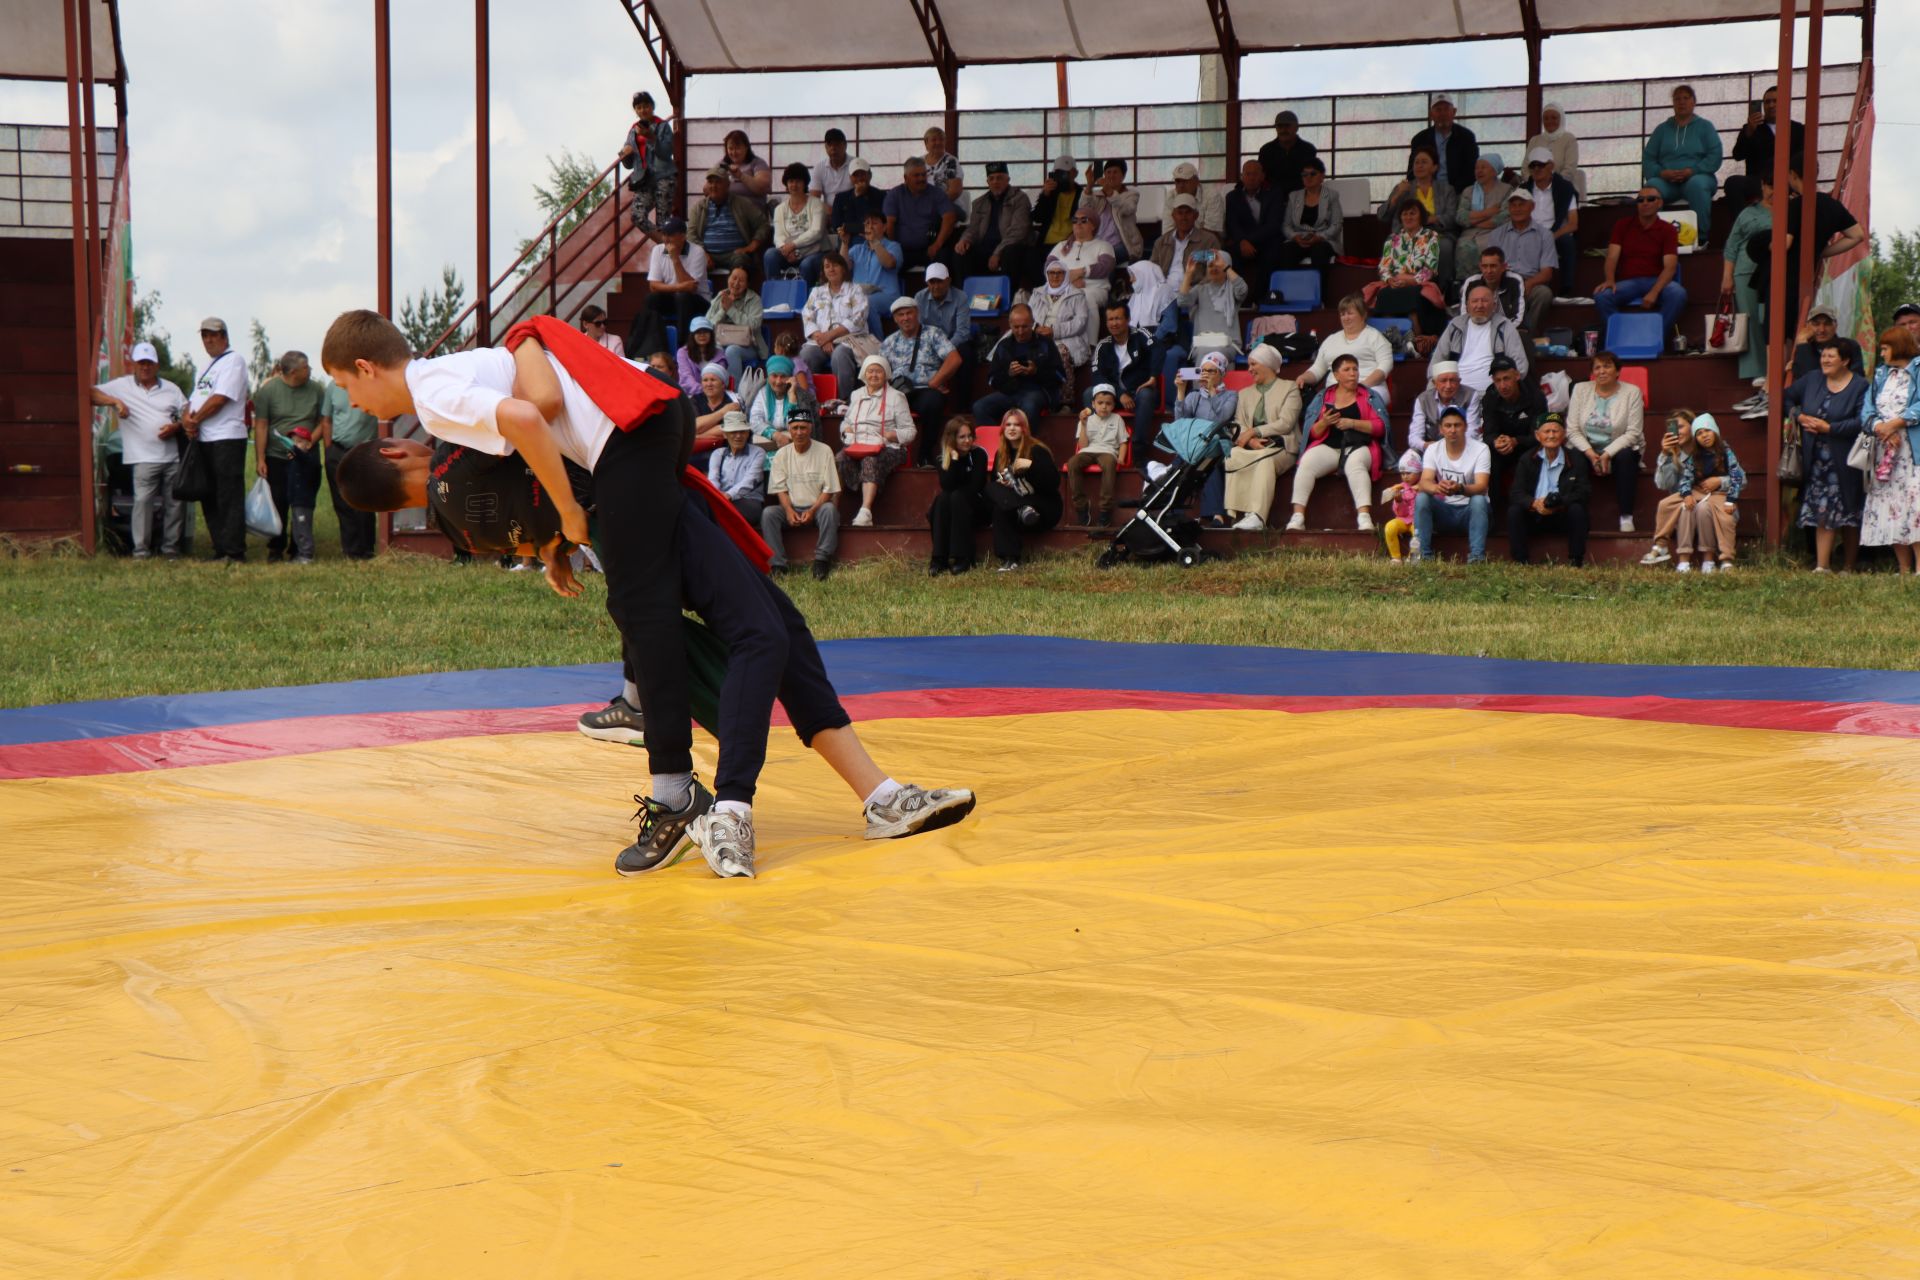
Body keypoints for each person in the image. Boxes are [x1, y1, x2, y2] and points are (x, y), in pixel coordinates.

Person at [333, 322, 976, 874]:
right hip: (643, 439)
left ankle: (678, 761)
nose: (354, 400)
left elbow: (533, 442)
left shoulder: (440, 429)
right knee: (764, 629)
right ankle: (798, 795)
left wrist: (561, 528)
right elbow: (535, 438)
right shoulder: (451, 423)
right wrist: (530, 339)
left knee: (732, 628)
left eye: (346, 386)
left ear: (366, 370)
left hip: (626, 466)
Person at [1748, 167, 1867, 352]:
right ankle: (1786, 373)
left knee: (1776, 326)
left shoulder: (1796, 205)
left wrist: (1767, 244)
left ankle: (1772, 379)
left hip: (1785, 272)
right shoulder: (1831, 205)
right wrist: (1822, 252)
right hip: (1807, 273)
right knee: (1794, 326)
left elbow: (1786, 243)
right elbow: (1857, 235)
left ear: (1793, 175)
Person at [92, 340, 190, 559]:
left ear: (156, 365)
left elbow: (187, 413)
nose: (145, 367)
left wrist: (176, 426)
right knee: (142, 503)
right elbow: (90, 394)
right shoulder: (122, 386)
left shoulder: (172, 389)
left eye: (149, 363)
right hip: (143, 458)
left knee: (175, 503)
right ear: (133, 364)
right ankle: (141, 550)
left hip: (172, 456)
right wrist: (114, 402)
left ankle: (171, 549)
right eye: (141, 363)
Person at [1788, 340, 1869, 571]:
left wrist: (1830, 429)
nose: (1825, 360)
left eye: (1831, 356)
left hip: (1847, 460)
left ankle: (1848, 567)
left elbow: (1862, 421)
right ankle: (1822, 567)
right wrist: (1798, 416)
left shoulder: (1860, 386)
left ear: (1845, 361)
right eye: (1823, 356)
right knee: (1822, 512)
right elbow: (1786, 397)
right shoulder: (1812, 379)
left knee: (1849, 513)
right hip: (1816, 461)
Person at [1287, 353, 1387, 533]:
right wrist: (1324, 422)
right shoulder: (1324, 397)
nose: (1353, 374)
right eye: (1347, 370)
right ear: (1336, 375)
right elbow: (1313, 434)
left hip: (1359, 446)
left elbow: (1380, 428)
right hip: (1330, 447)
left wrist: (1353, 423)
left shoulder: (1368, 395)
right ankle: (1298, 517)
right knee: (1306, 462)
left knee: (1355, 464)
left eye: (1355, 369)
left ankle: (1364, 517)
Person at [181, 317, 249, 563]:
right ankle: (219, 547)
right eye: (205, 336)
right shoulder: (206, 366)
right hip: (205, 438)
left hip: (226, 437)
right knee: (208, 493)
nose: (208, 340)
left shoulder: (234, 361)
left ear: (225, 337)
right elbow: (194, 397)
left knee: (228, 494)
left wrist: (195, 420)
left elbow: (221, 398)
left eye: (213, 335)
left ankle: (234, 550)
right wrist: (187, 417)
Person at [1642, 409, 1744, 574]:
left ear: (1693, 426)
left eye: (1680, 426)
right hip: (1686, 509)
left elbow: (1741, 479)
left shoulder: (1721, 451)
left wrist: (1719, 481)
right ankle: (1674, 556)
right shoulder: (1676, 455)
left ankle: (1717, 560)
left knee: (1702, 507)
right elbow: (1662, 484)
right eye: (1672, 428)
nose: (1676, 431)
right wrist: (1666, 455)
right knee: (1684, 506)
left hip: (1716, 505)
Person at [252, 350, 327, 564]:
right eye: (306, 368)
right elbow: (262, 425)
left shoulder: (316, 390)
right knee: (278, 502)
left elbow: (323, 420)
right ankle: (275, 547)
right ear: (293, 372)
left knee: (302, 503)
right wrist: (260, 458)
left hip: (306, 458)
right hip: (277, 456)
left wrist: (309, 442)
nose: (310, 370)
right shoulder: (269, 391)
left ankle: (299, 548)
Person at [1594, 187, 1687, 352]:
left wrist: (1654, 292)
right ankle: (1619, 338)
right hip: (1629, 282)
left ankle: (1655, 338)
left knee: (1678, 293)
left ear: (1660, 203)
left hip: (1656, 280)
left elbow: (1670, 267)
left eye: (1650, 199)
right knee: (1602, 296)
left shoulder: (1668, 230)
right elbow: (1612, 257)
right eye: (1640, 200)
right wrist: (1609, 280)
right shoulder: (1622, 225)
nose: (1645, 203)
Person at [1221, 343, 1303, 532]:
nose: (1249, 369)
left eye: (1253, 365)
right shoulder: (1244, 394)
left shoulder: (1289, 388)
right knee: (1233, 455)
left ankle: (1257, 516)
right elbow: (1239, 422)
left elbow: (1286, 423)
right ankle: (1239, 514)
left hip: (1282, 446)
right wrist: (1249, 439)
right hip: (1252, 445)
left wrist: (1255, 432)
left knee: (1265, 460)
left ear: (1267, 365)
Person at [1860, 325, 1920, 574]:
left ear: (1899, 346)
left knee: (1915, 505)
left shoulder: (1917, 369)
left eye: (1885, 348)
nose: (1882, 353)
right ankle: (1904, 568)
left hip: (1912, 452)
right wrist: (1881, 428)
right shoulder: (1882, 374)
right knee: (1891, 506)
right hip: (1886, 453)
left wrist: (1895, 424)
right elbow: (1866, 410)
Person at [1565, 349, 1646, 533]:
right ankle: (1579, 516)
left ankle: (1626, 516)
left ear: (1617, 371)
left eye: (1607, 366)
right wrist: (1591, 453)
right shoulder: (1580, 390)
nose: (1602, 371)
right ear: (1592, 372)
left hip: (1619, 448)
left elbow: (1633, 432)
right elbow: (1572, 430)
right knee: (1575, 456)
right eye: (1597, 367)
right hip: (1587, 448)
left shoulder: (1632, 392)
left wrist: (1607, 454)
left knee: (1626, 457)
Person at [837, 354, 916, 529]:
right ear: (864, 374)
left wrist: (891, 435)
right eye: (870, 371)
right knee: (839, 459)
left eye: (878, 371)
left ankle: (865, 512)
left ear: (886, 373)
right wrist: (846, 431)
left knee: (870, 461)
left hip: (889, 447)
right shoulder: (856, 394)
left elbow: (910, 432)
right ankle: (833, 509)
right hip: (859, 445)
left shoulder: (896, 397)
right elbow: (845, 423)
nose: (873, 375)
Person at [763, 408, 842, 580]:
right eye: (795, 428)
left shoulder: (824, 450)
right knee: (769, 514)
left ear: (811, 428)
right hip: (792, 507)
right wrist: (789, 510)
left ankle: (822, 561)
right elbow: (780, 489)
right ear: (789, 430)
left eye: (803, 428)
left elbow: (828, 490)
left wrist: (812, 511)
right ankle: (778, 565)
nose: (799, 432)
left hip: (817, 507)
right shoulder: (782, 454)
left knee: (829, 510)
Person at [880, 296, 961, 462]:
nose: (905, 318)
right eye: (900, 315)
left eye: (909, 313)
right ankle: (887, 454)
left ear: (917, 313)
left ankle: (925, 455)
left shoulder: (933, 333)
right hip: (899, 392)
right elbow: (879, 370)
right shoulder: (889, 342)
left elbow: (955, 359)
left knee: (933, 402)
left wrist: (936, 381)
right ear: (895, 319)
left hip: (926, 390)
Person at [1507, 412, 1592, 566]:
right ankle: (1520, 561)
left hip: (1561, 513)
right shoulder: (1527, 459)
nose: (1551, 436)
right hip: (1535, 514)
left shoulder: (1576, 458)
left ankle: (1576, 560)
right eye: (1547, 431)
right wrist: (1534, 503)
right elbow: (1516, 492)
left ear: (1564, 434)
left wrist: (1559, 503)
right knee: (1514, 511)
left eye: (1556, 431)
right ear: (1538, 436)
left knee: (1578, 510)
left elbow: (1583, 491)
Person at [1413, 405, 1492, 563]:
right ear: (1441, 429)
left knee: (1479, 499)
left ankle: (1477, 558)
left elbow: (1482, 486)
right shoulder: (1433, 449)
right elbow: (1424, 482)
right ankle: (1423, 556)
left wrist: (1460, 488)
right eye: (1448, 426)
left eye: (1457, 425)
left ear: (1466, 427)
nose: (1452, 430)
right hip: (1445, 510)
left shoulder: (1481, 449)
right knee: (1422, 498)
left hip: (1471, 512)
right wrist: (1438, 487)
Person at [984, 409, 1061, 571]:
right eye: (1008, 425)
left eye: (1017, 425)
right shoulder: (1001, 454)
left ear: (1024, 428)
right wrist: (1005, 484)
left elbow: (1053, 483)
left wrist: (1031, 467)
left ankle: (1021, 508)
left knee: (1003, 504)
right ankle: (1010, 560)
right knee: (994, 492)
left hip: (1040, 508)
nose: (1012, 428)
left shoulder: (1037, 450)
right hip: (1017, 508)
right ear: (1003, 429)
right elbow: (995, 484)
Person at [1364, 198, 1449, 341]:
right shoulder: (1392, 239)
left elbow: (1430, 269)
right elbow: (1384, 268)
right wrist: (1390, 279)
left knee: (1412, 295)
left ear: (1421, 216)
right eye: (1405, 214)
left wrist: (1410, 281)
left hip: (1420, 283)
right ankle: (1389, 339)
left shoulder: (1431, 237)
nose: (1408, 217)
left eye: (1412, 213)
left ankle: (1417, 339)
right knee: (1384, 294)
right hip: (1395, 283)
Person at [626, 217, 710, 358]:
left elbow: (691, 289)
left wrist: (675, 259)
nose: (665, 239)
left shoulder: (697, 252)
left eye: (670, 235)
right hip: (674, 296)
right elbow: (653, 286)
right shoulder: (657, 250)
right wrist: (680, 286)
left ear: (682, 236)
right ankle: (653, 347)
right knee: (651, 299)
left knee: (683, 297)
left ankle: (683, 348)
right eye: (664, 234)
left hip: (698, 300)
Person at [1722, 176, 1774, 400]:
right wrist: (1727, 277)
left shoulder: (1792, 209)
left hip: (1774, 272)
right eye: (1769, 185)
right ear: (1762, 186)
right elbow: (1731, 246)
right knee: (1751, 318)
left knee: (1768, 319)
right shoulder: (1747, 213)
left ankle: (1775, 369)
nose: (1772, 190)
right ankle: (1757, 370)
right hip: (1745, 271)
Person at [322, 362, 380, 559]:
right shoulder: (332, 387)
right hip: (337, 450)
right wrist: (328, 450)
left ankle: (367, 549)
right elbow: (326, 419)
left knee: (364, 501)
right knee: (342, 502)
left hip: (364, 450)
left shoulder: (370, 385)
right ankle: (350, 550)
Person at [1091, 296, 1161, 455]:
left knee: (1146, 396)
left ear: (1128, 319)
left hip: (1139, 391)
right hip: (1114, 395)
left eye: (1118, 318)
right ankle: (1098, 444)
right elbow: (1097, 376)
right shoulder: (1103, 345)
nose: (1114, 323)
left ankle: (1139, 449)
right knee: (1089, 393)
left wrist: (1153, 377)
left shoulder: (1140, 334)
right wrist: (1119, 393)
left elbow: (1159, 350)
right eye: (1110, 319)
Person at [1380, 147, 1457, 290]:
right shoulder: (1404, 188)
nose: (1419, 166)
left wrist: (1433, 218)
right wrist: (1397, 196)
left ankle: (1443, 290)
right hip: (1408, 232)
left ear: (1434, 167)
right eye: (1416, 163)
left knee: (1445, 246)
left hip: (1438, 233)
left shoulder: (1446, 189)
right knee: (1391, 241)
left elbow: (1452, 217)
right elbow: (1382, 216)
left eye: (1424, 162)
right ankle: (1398, 284)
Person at [1176, 352, 1239, 527]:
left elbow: (1222, 418)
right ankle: (1175, 512)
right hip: (1195, 444)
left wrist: (1212, 392)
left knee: (1209, 464)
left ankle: (1216, 515)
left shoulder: (1231, 395)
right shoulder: (1194, 396)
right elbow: (1180, 423)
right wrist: (1181, 392)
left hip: (1218, 442)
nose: (1206, 375)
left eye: (1211, 371)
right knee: (1179, 465)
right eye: (1203, 371)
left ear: (1221, 373)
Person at [974, 304, 1064, 426]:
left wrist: (1036, 371)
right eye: (1016, 327)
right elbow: (992, 379)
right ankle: (998, 442)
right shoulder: (1003, 346)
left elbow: (1060, 377)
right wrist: (1009, 374)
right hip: (1010, 392)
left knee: (1029, 405)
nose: (1020, 332)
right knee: (979, 407)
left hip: (1039, 391)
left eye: (1025, 327)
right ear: (1010, 324)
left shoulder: (1045, 343)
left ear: (1032, 323)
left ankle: (1025, 444)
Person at [1431, 282, 1529, 393]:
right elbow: (1436, 362)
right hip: (1455, 393)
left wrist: (1504, 389)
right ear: (1467, 306)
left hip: (1492, 394)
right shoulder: (1455, 325)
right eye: (1474, 301)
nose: (1479, 305)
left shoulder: (1505, 326)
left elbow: (1520, 365)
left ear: (1494, 305)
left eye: (1485, 301)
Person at [1642, 84, 1722, 219]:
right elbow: (1648, 158)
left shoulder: (1705, 127)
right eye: (1677, 99)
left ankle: (1702, 238)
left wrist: (1693, 171)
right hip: (1666, 182)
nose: (1682, 102)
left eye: (1686, 98)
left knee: (1697, 185)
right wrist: (1661, 173)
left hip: (1698, 177)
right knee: (1650, 190)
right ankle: (1654, 236)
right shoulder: (1661, 129)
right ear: (1673, 103)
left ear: (1694, 102)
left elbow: (1715, 155)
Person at [797, 252, 874, 391]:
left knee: (839, 355)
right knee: (806, 354)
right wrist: (822, 338)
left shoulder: (855, 290)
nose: (831, 269)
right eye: (827, 266)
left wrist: (830, 336)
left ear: (843, 268)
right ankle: (812, 398)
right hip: (820, 341)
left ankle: (843, 400)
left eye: (835, 265)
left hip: (849, 340)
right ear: (823, 271)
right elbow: (807, 316)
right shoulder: (816, 292)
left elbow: (858, 318)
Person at [1297, 293, 1392, 402]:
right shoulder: (1330, 340)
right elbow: (1317, 369)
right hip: (1334, 392)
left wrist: (1360, 387)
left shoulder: (1375, 337)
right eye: (1342, 314)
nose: (1346, 318)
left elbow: (1385, 366)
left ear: (1363, 315)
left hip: (1369, 388)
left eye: (1350, 313)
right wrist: (1304, 377)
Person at [1486, 189, 1557, 334]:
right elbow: (1490, 265)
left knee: (1544, 294)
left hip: (1530, 282)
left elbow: (1547, 273)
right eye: (1513, 205)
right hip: (1503, 281)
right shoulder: (1496, 234)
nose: (1517, 209)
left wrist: (1527, 284)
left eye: (1522, 205)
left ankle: (1526, 333)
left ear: (1532, 207)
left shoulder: (1545, 235)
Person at [1726, 85, 1804, 211]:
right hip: (1758, 180)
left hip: (1788, 180)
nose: (1771, 105)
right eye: (1767, 102)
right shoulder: (1751, 128)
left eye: (1775, 101)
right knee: (1732, 183)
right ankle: (1745, 224)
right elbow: (1737, 155)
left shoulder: (1797, 129)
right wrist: (1749, 133)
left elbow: (1803, 158)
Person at [1480, 354, 1546, 503]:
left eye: (1506, 378)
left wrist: (1516, 441)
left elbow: (1540, 435)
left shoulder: (1535, 396)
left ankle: (1528, 506)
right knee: (1489, 458)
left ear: (1516, 376)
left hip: (1527, 445)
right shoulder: (1489, 398)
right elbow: (1488, 434)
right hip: (1502, 447)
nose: (1503, 385)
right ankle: (1493, 511)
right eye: (1498, 380)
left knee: (1528, 460)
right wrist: (1496, 441)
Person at [927, 416, 989, 574]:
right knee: (942, 498)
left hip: (978, 506)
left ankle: (963, 557)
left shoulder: (979, 455)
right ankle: (939, 558)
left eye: (970, 436)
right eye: (962, 437)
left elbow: (975, 486)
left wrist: (957, 495)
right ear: (952, 438)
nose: (967, 440)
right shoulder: (943, 457)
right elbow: (946, 485)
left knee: (956, 497)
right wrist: (954, 460)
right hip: (953, 505)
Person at [955, 162, 1033, 284]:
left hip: (1009, 247)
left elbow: (1018, 232)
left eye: (999, 178)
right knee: (961, 253)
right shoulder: (980, 202)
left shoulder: (1020, 199)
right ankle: (966, 298)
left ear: (1008, 180)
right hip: (985, 248)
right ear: (988, 182)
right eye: (992, 179)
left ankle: (1009, 298)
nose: (995, 182)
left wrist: (997, 253)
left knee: (1010, 253)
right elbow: (973, 229)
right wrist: (965, 239)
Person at [688, 165, 770, 276]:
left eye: (718, 182)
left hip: (734, 253)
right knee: (693, 263)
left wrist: (751, 246)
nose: (713, 186)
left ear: (727, 185)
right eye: (710, 182)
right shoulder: (699, 207)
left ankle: (735, 293)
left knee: (741, 262)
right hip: (708, 253)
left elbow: (763, 224)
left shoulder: (742, 203)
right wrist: (703, 254)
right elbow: (691, 235)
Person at [883, 156, 958, 275]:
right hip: (902, 250)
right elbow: (889, 224)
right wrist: (894, 247)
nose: (922, 178)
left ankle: (939, 293)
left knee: (944, 261)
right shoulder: (895, 195)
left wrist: (937, 244)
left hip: (929, 248)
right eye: (916, 175)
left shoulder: (936, 193)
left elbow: (949, 217)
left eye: (924, 175)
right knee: (886, 264)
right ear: (906, 178)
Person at [1523, 147, 1580, 301]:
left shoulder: (1565, 188)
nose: (1536, 169)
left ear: (1551, 166)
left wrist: (1550, 236)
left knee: (1567, 241)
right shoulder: (1523, 191)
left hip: (1554, 233)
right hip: (1529, 232)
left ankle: (1566, 289)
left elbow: (1573, 224)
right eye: (1533, 166)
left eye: (1540, 165)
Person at [1177, 250, 1248, 373]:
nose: (1214, 269)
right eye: (1210, 265)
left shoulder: (1232, 290)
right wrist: (1188, 274)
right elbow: (1182, 302)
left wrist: (1225, 266)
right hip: (1201, 344)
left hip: (1228, 344)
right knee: (1205, 352)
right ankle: (1201, 392)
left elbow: (1242, 290)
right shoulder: (1200, 289)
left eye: (1218, 266)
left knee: (1216, 354)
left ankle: (1219, 392)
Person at [618, 90, 677, 241]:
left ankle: (668, 251)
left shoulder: (662, 126)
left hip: (663, 177)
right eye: (638, 107)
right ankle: (665, 244)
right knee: (637, 216)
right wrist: (625, 155)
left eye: (646, 106)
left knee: (663, 221)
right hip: (643, 179)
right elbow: (629, 164)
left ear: (652, 107)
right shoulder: (633, 131)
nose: (642, 110)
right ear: (635, 110)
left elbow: (666, 152)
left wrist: (651, 137)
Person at [1068, 384, 1128, 527]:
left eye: (1108, 403)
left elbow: (1123, 442)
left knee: (1109, 463)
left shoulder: (1117, 419)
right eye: (1100, 403)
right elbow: (1082, 446)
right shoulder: (1086, 419)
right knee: (1072, 463)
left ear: (1113, 405)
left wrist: (1121, 458)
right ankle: (1081, 505)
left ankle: (1105, 509)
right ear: (1093, 404)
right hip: (1088, 451)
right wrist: (1083, 424)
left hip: (1108, 451)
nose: (1104, 407)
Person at [1277, 158, 1343, 287]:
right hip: (1299, 239)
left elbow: (1336, 224)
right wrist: (1295, 237)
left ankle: (1319, 297)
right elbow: (1286, 225)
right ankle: (1289, 294)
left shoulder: (1332, 196)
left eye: (1313, 174)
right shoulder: (1294, 196)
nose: (1308, 177)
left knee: (1319, 253)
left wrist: (1319, 237)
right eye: (1304, 175)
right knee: (1286, 252)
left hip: (1323, 240)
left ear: (1322, 176)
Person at [1223, 158, 1285, 293]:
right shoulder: (1232, 197)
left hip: (1266, 240)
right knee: (1228, 255)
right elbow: (1232, 224)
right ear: (1241, 176)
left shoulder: (1274, 194)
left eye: (1255, 174)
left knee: (1273, 253)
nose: (1251, 178)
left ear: (1262, 176)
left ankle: (1260, 297)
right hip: (1242, 240)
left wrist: (1248, 241)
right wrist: (1242, 241)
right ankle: (1239, 296)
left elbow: (1273, 225)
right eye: (1247, 174)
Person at [766, 162, 829, 285]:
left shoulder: (816, 204)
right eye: (790, 181)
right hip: (789, 253)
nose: (794, 185)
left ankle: (805, 301)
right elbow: (778, 237)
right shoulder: (779, 208)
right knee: (770, 255)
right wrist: (786, 250)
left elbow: (816, 232)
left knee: (806, 265)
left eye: (798, 181)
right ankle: (776, 295)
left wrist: (794, 246)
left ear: (805, 183)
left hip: (815, 252)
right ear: (786, 184)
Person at [705, 267, 768, 386]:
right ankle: (714, 389)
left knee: (732, 350)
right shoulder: (721, 296)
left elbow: (754, 325)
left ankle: (735, 393)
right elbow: (707, 325)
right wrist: (723, 310)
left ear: (747, 284)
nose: (736, 283)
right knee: (712, 348)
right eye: (733, 278)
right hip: (721, 342)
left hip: (748, 346)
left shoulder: (754, 299)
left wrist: (731, 310)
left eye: (741, 280)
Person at [1453, 153, 1511, 282]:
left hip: (1495, 233)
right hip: (1469, 234)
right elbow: (1461, 217)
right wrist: (1488, 212)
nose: (1478, 171)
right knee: (1464, 246)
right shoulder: (1468, 191)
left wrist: (1473, 220)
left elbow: (1503, 218)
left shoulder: (1506, 190)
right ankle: (1466, 287)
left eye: (1483, 167)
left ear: (1495, 171)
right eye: (1476, 168)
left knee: (1492, 248)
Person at [1047, 209, 1117, 313]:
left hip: (1093, 290)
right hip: (1064, 288)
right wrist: (1069, 282)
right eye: (1075, 220)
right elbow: (1048, 268)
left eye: (1084, 220)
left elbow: (1105, 267)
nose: (1078, 223)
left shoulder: (1104, 245)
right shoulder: (1061, 246)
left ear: (1093, 226)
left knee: (1083, 299)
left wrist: (1081, 272)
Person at [1407, 360, 1482, 454]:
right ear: (1434, 383)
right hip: (1431, 449)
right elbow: (1414, 437)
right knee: (1407, 462)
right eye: (1443, 381)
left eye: (1453, 380)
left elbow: (1472, 432)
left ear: (1459, 382)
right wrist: (1426, 445)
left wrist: (1451, 447)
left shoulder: (1470, 395)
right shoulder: (1423, 399)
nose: (1448, 386)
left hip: (1463, 447)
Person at [1031, 259, 1092, 373]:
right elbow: (1028, 315)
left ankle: (1063, 390)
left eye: (1060, 273)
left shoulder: (1077, 295)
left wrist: (1054, 331)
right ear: (1047, 274)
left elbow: (1080, 322)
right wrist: (1035, 328)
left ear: (1066, 274)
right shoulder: (1037, 293)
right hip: (1037, 335)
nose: (1055, 276)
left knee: (1058, 354)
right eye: (1051, 273)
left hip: (1066, 338)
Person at [707, 410, 767, 526]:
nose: (738, 436)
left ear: (748, 433)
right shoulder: (718, 453)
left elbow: (749, 481)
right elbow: (713, 479)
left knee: (719, 513)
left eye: (742, 432)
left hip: (749, 501)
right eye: (733, 432)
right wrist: (718, 497)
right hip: (721, 500)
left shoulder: (758, 452)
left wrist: (727, 496)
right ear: (725, 434)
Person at [746, 354, 813, 455]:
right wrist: (775, 434)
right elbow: (754, 421)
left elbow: (796, 426)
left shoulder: (799, 396)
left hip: (794, 449)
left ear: (790, 377)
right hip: (766, 449)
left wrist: (792, 400)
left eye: (783, 376)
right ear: (768, 377)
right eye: (774, 376)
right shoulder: (762, 394)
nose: (778, 381)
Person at [1410, 93, 1478, 191]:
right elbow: (1412, 172)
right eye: (1438, 110)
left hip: (1459, 192)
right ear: (1431, 114)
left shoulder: (1466, 137)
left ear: (1454, 112)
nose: (1443, 113)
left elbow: (1472, 170)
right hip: (1427, 191)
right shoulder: (1420, 139)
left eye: (1446, 109)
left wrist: (1453, 191)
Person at [1149, 193, 1222, 285]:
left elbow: (1215, 270)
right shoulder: (1162, 242)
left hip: (1195, 292)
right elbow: (1152, 271)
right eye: (1180, 213)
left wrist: (1197, 292)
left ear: (1196, 215)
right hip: (1165, 292)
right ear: (1173, 216)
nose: (1184, 218)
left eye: (1188, 212)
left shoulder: (1209, 241)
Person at [1079, 159, 1142, 263]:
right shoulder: (1098, 195)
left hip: (1124, 244)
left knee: (1104, 258)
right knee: (1082, 257)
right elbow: (1084, 210)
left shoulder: (1131, 194)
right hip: (1098, 243)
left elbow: (1127, 208)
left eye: (1115, 172)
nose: (1111, 176)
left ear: (1123, 175)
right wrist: (1089, 186)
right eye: (1108, 172)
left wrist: (1109, 192)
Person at [1029, 154, 1082, 272]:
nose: (1062, 177)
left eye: (1065, 173)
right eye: (1058, 174)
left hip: (1071, 241)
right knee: (1030, 256)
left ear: (1074, 174)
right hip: (1047, 241)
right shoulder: (1051, 193)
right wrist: (1045, 194)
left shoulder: (1082, 194)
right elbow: (1037, 217)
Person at [848, 209, 904, 314]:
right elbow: (843, 269)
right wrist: (844, 243)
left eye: (874, 223)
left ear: (884, 227)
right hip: (859, 295)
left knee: (864, 303)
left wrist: (874, 241)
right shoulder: (857, 249)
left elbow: (889, 264)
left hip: (886, 296)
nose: (870, 227)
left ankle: (875, 332)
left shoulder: (893, 246)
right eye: (867, 223)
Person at [1256, 110, 1320, 202]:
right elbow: (1261, 177)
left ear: (1297, 127)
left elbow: (1313, 177)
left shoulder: (1308, 150)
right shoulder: (1266, 151)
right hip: (1273, 200)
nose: (1283, 130)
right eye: (1280, 126)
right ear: (1276, 128)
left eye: (1287, 126)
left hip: (1302, 199)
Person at [1456, 246, 1523, 329]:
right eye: (1484, 266)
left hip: (1507, 332)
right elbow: (1465, 315)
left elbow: (1518, 318)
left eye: (1493, 266)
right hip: (1477, 330)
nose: (1488, 271)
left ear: (1503, 267)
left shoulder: (1514, 281)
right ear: (1480, 267)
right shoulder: (1471, 282)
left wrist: (1498, 333)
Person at [1527, 104, 1583, 196]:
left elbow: (1570, 169)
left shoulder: (1569, 139)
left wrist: (1551, 186)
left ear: (1561, 119)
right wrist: (1537, 185)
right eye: (1546, 118)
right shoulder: (1535, 140)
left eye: (1554, 118)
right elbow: (1526, 168)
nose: (1549, 121)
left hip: (1562, 190)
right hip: (1535, 190)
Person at [1378, 449, 1424, 562]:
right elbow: (1400, 513)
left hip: (1418, 520)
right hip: (1404, 519)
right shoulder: (1400, 488)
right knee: (1390, 527)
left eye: (1409, 473)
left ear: (1419, 472)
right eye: (1402, 474)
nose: (1405, 477)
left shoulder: (1425, 486)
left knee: (1417, 531)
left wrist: (1421, 491)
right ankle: (1396, 557)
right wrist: (1399, 501)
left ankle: (1413, 557)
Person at [829, 158, 884, 251]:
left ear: (870, 175)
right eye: (855, 175)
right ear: (850, 178)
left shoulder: (880, 195)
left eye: (862, 174)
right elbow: (836, 224)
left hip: (873, 237)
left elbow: (874, 221)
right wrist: (856, 197)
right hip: (846, 238)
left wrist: (860, 198)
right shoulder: (840, 198)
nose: (859, 178)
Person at [1164, 161, 1225, 238]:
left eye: (1185, 181)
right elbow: (1167, 231)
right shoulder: (1171, 197)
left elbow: (1212, 232)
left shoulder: (1212, 196)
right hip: (1179, 242)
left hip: (1207, 243)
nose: (1181, 186)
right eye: (1178, 181)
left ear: (1196, 181)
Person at [689, 362, 737, 451]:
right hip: (698, 452)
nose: (709, 384)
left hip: (725, 450)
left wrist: (697, 436)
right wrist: (723, 412)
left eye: (713, 380)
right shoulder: (695, 399)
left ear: (723, 384)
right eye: (705, 380)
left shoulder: (734, 400)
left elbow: (725, 430)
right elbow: (694, 426)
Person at [676, 317, 724, 397]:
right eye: (698, 332)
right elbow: (686, 377)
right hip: (690, 394)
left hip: (714, 395)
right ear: (692, 335)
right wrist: (702, 390)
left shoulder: (719, 353)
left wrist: (708, 392)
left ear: (711, 334)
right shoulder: (682, 352)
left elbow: (719, 378)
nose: (702, 335)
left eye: (705, 331)